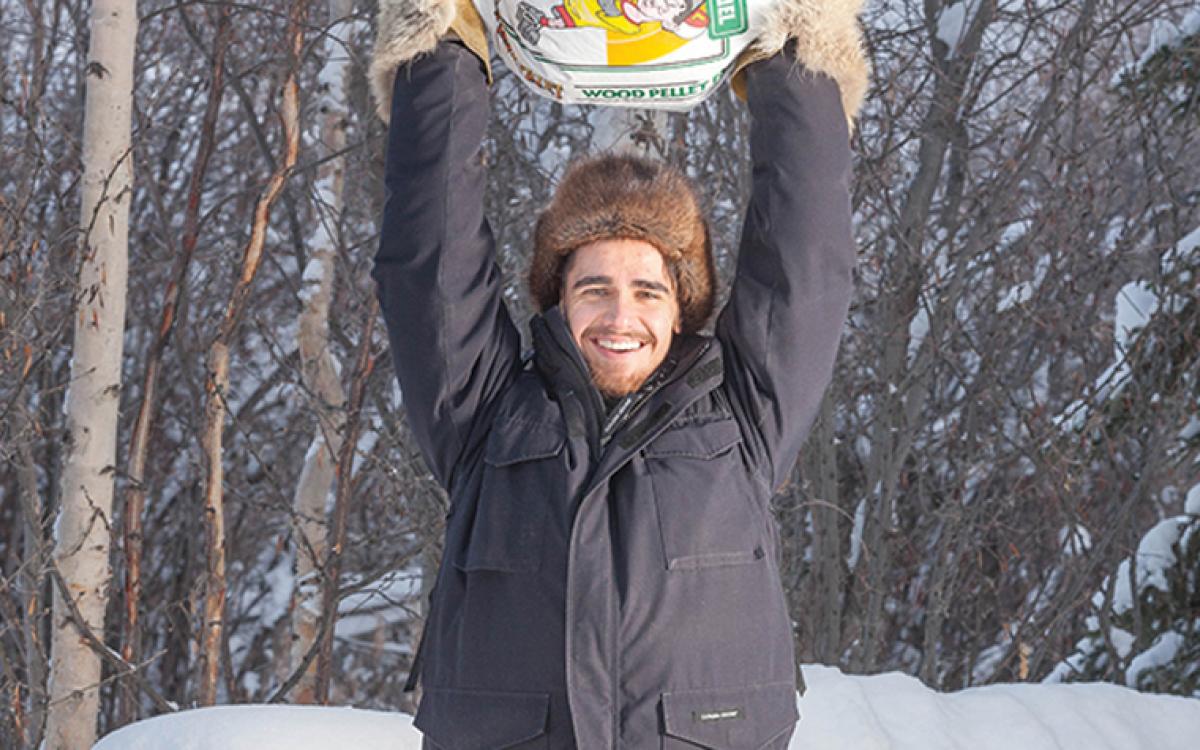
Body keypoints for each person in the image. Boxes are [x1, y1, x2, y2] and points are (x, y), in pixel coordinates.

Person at [369, 0, 868, 746]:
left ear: (681, 308)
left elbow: (805, 264)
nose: (619, 315)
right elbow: (427, 264)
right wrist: (440, 48)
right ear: (558, 300)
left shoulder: (745, 419)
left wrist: (799, 54)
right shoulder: (486, 415)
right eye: (593, 287)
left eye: (647, 290)